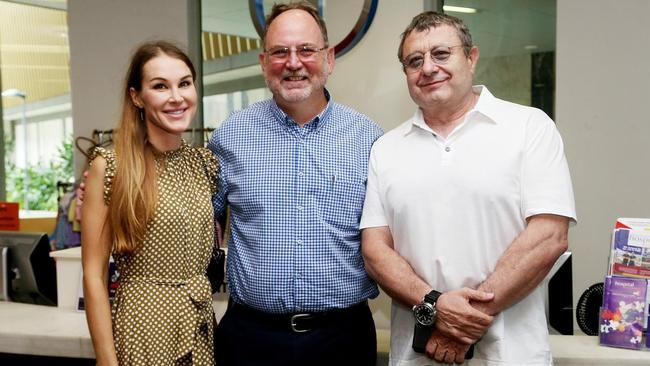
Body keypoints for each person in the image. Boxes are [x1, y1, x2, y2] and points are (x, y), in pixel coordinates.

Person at [360, 11, 576, 365]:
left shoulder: (529, 128)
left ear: (471, 57)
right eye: (415, 61)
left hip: (511, 354)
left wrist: (461, 321)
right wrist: (435, 305)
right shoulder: (386, 148)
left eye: (441, 54)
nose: (428, 68)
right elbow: (375, 251)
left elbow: (549, 237)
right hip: (416, 355)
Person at [207, 2, 383, 365]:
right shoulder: (231, 136)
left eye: (306, 50)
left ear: (329, 59)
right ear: (262, 62)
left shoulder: (369, 140)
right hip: (249, 341)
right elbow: (195, 216)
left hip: (343, 340)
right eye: (280, 52)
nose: (293, 62)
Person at [81, 40, 219, 366]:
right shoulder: (111, 165)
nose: (177, 97)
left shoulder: (204, 163)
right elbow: (93, 275)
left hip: (199, 324)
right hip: (143, 326)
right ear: (136, 97)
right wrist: (106, 360)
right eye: (160, 86)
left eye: (184, 83)